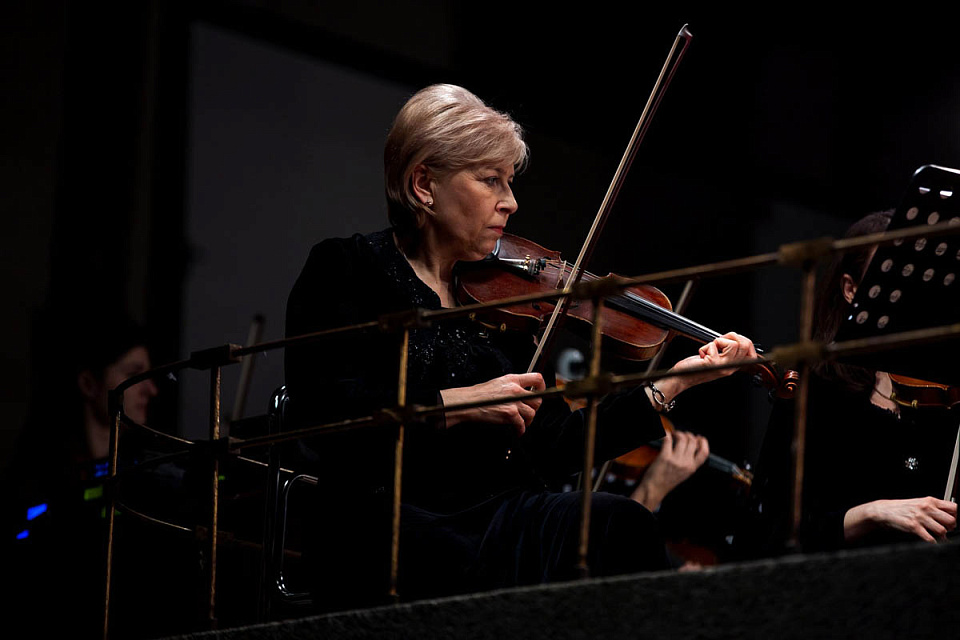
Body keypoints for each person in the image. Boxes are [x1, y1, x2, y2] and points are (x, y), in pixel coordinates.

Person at [284, 83, 758, 611]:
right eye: (491, 180)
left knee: (617, 521)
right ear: (424, 184)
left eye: (509, 182)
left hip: (495, 519)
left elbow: (553, 448)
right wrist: (456, 404)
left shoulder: (505, 307)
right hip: (390, 518)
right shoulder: (348, 268)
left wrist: (674, 383)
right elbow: (321, 412)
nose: (511, 202)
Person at [740, 210, 958, 557]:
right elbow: (772, 533)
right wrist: (872, 513)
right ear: (850, 288)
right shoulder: (816, 388)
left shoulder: (943, 394)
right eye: (890, 272)